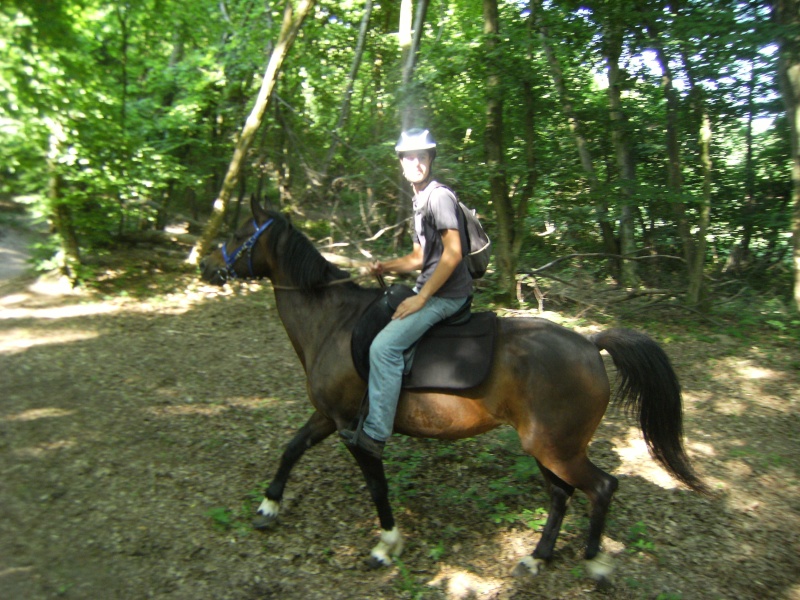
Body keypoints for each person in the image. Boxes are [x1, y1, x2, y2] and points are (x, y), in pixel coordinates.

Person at [340, 128, 473, 459]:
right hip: (430, 285)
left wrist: (422, 297)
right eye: (409, 157)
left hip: (446, 294)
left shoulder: (438, 196)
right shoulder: (420, 199)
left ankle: (375, 434)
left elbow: (453, 253)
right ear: (401, 162)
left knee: (384, 348)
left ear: (430, 160)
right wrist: (385, 266)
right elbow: (418, 257)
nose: (416, 162)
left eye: (422, 156)